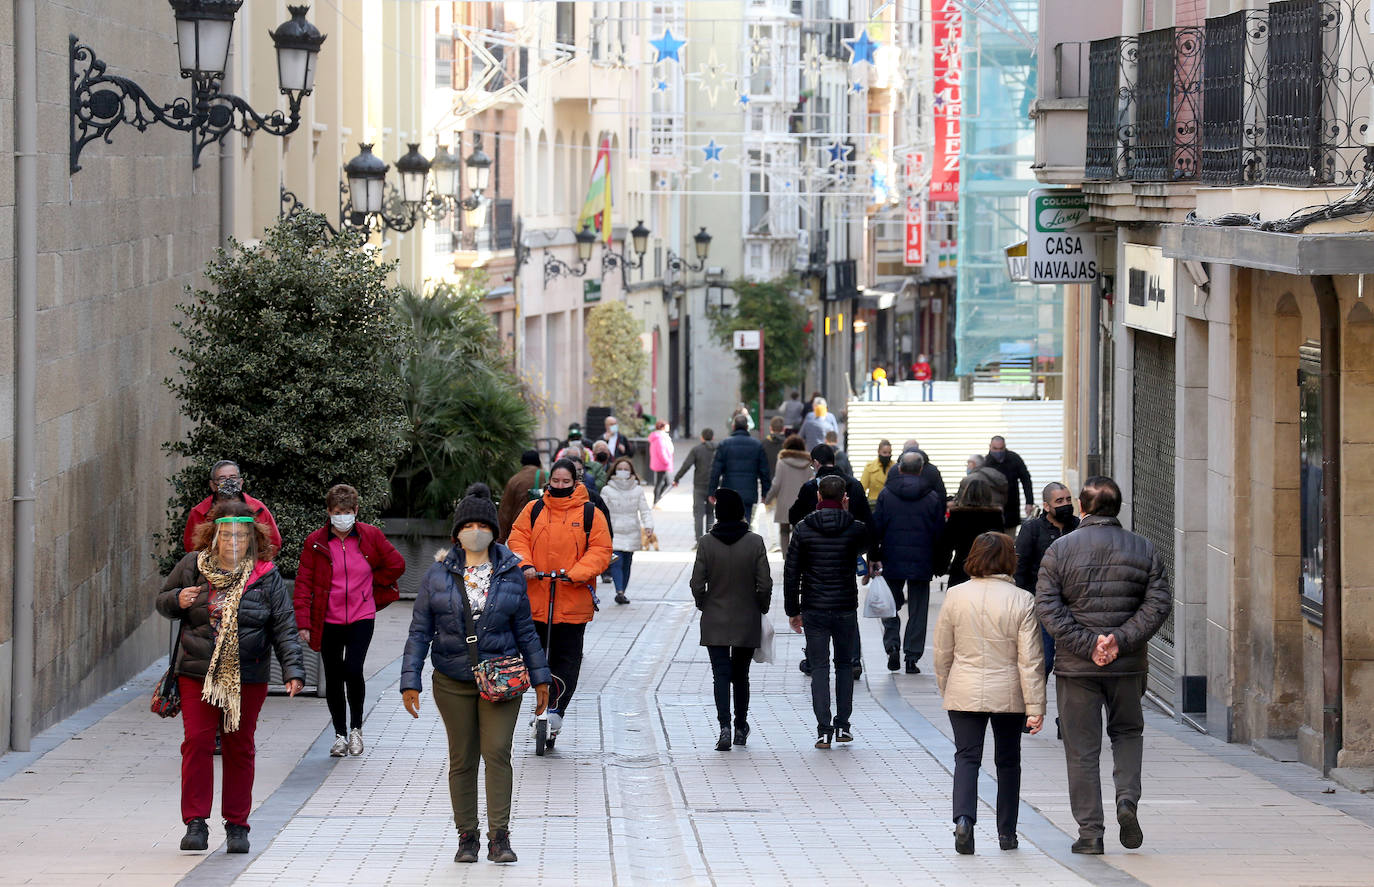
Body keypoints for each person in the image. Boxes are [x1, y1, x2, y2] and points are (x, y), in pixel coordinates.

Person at [401, 484, 552, 865]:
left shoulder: (511, 572)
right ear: (456, 533)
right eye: (467, 524)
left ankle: (499, 837)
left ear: (492, 530)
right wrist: (409, 679)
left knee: (497, 753)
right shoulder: (438, 574)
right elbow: (419, 631)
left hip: (501, 679)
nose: (475, 530)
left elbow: (526, 630)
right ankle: (466, 836)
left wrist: (541, 678)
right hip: (451, 680)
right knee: (462, 759)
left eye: (480, 524)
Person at [156, 500, 304, 854]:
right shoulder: (193, 566)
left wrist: (293, 670)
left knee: (240, 748)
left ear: (252, 537)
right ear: (214, 535)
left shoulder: (265, 575)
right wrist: (178, 598)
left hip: (248, 675)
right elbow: (162, 601)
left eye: (241, 534)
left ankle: (237, 825)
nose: (234, 540)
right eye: (227, 533)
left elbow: (284, 626)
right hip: (196, 671)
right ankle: (196, 822)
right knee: (197, 742)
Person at [1035, 476, 1172, 856]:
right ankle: (1127, 799)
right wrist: (1119, 640)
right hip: (1127, 664)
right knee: (1127, 733)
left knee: (1082, 748)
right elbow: (1158, 604)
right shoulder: (1143, 548)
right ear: (1118, 508)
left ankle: (1090, 832)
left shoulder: (1060, 550)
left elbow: (1047, 606)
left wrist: (1087, 643)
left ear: (1082, 508)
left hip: (1077, 667)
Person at [934, 532, 1046, 855]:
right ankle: (1007, 833)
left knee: (966, 758)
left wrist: (948, 688)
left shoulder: (955, 596)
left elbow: (942, 652)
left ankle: (964, 821)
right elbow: (1031, 659)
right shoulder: (1022, 600)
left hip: (964, 689)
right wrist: (1035, 705)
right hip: (1009, 692)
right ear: (1009, 560)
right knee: (1008, 762)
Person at [506, 460, 613, 745]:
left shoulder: (591, 513)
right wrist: (525, 564)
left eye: (566, 482)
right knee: (535, 657)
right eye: (556, 481)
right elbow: (517, 538)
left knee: (566, 660)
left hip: (572, 600)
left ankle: (556, 711)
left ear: (576, 481)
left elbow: (601, 549)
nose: (561, 486)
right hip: (536, 598)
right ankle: (542, 704)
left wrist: (577, 573)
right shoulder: (534, 509)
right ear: (549, 480)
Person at [294, 484, 406, 757]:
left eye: (346, 512)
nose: (341, 517)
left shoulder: (370, 535)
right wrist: (304, 623)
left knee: (353, 669)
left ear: (356, 511)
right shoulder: (316, 542)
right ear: (328, 512)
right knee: (333, 676)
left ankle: (356, 728)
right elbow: (303, 583)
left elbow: (396, 564)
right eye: (336, 512)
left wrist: (371, 585)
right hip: (327, 618)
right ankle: (340, 734)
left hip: (361, 615)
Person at [784, 475, 870, 748]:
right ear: (845, 497)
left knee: (819, 667)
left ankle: (823, 729)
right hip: (845, 606)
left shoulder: (802, 528)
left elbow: (791, 572)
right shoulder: (856, 528)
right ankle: (843, 726)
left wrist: (792, 609)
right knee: (845, 665)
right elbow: (866, 546)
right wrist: (846, 514)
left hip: (814, 607)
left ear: (818, 497)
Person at [691, 488, 772, 751]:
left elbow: (696, 582)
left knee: (720, 675)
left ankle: (723, 726)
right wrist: (761, 606)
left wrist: (704, 603)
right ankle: (740, 725)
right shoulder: (755, 542)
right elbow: (765, 583)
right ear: (740, 512)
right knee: (741, 675)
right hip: (746, 617)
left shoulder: (706, 542)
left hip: (715, 617)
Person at [873, 451, 946, 674]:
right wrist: (939, 562)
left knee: (890, 604)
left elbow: (877, 527)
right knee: (918, 609)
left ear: (900, 468)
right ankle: (912, 656)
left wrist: (874, 556)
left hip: (891, 558)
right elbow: (938, 533)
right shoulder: (932, 497)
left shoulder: (886, 494)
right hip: (922, 559)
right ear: (922, 469)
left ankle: (892, 643)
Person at [1015, 482, 1079, 676]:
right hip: (1042, 606)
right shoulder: (1032, 529)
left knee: (1074, 666)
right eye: (1059, 501)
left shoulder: (1079, 526)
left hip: (1075, 606)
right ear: (1046, 506)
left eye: (1068, 499)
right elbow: (1020, 568)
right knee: (1043, 662)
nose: (1065, 504)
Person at [182, 460, 282, 553]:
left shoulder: (259, 509)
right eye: (222, 478)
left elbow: (274, 543)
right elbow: (191, 548)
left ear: (241, 482)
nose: (228, 482)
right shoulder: (199, 513)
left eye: (233, 477)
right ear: (212, 485)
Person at [600, 457, 653, 606]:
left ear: (631, 472)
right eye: (620, 469)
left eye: (626, 469)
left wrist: (648, 525)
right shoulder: (607, 490)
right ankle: (620, 592)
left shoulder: (637, 490)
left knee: (627, 563)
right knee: (617, 562)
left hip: (631, 530)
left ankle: (623, 590)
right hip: (614, 531)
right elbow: (601, 512)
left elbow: (645, 510)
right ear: (614, 470)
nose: (623, 472)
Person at [936, 478, 1007, 587]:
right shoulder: (995, 516)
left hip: (962, 565)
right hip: (988, 567)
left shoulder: (957, 515)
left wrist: (941, 567)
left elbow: (947, 544)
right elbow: (1000, 544)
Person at [707, 414, 772, 525]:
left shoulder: (724, 444)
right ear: (747, 427)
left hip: (728, 492)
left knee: (728, 523)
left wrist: (712, 491)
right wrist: (766, 493)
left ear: (733, 427)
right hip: (749, 492)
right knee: (745, 524)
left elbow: (715, 470)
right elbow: (764, 471)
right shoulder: (757, 445)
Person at [762, 435, 813, 554]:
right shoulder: (808, 463)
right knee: (799, 531)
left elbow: (776, 483)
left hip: (784, 503)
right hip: (802, 504)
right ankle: (798, 558)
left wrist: (768, 498)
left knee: (784, 532)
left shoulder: (782, 462)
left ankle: (786, 558)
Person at [673, 428, 718, 541]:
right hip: (713, 486)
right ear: (712, 438)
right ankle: (710, 540)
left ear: (702, 437)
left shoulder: (697, 450)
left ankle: (699, 541)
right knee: (710, 513)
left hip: (699, 486)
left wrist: (677, 478)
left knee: (698, 514)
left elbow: (686, 465)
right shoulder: (718, 450)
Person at [987, 436, 1035, 531]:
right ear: (990, 447)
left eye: (1001, 449)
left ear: (1005, 447)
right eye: (995, 449)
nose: (998, 452)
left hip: (1011, 508)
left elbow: (1026, 480)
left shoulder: (1014, 459)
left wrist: (1029, 502)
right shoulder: (986, 462)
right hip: (992, 510)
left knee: (1010, 540)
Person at [498, 451, 545, 543]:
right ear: (538, 461)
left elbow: (505, 512)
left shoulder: (514, 480)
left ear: (522, 463)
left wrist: (501, 539)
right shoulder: (547, 477)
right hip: (544, 530)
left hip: (520, 531)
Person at [859, 439, 894, 506]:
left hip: (891, 503)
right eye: (884, 452)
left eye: (889, 453)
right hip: (873, 504)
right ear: (878, 452)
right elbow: (862, 488)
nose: (887, 455)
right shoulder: (869, 467)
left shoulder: (895, 467)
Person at [648, 421, 675, 504]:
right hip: (661, 464)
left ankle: (657, 499)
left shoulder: (660, 437)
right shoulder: (660, 438)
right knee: (660, 483)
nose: (669, 427)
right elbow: (661, 452)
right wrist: (666, 461)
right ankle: (656, 500)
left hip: (660, 463)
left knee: (666, 482)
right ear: (662, 427)